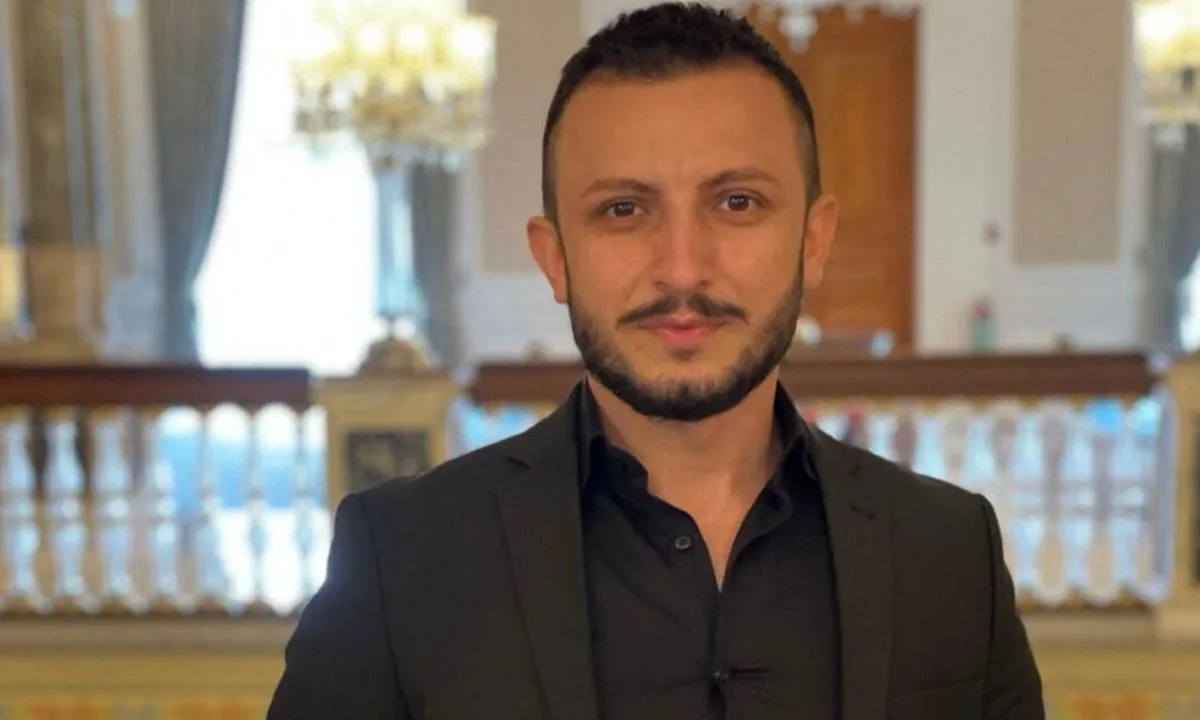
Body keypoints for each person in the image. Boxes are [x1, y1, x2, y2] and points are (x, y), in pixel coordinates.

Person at [267, 4, 1045, 719]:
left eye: (737, 202)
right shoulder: (402, 557)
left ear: (813, 242)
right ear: (554, 257)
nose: (681, 269)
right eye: (624, 209)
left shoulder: (951, 551)